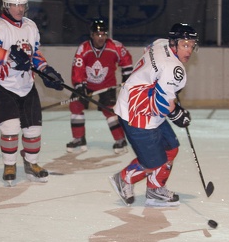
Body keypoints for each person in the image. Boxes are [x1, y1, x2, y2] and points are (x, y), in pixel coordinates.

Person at [0, 0, 65, 186]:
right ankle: (9, 165)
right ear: (6, 5)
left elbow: (34, 54)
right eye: (14, 4)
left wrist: (46, 71)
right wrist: (9, 56)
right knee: (10, 126)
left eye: (22, 5)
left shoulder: (30, 26)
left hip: (25, 84)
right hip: (1, 84)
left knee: (33, 128)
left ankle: (32, 163)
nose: (18, 9)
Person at [108, 23, 197, 207]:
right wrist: (179, 114)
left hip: (139, 101)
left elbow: (148, 50)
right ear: (174, 43)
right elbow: (161, 105)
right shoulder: (174, 68)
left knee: (170, 148)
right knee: (153, 162)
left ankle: (155, 190)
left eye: (192, 45)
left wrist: (165, 84)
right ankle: (124, 179)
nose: (189, 50)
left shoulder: (161, 43)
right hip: (138, 112)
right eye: (185, 45)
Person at [67, 19, 133, 154]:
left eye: (103, 34)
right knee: (75, 105)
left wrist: (127, 78)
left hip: (107, 84)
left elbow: (126, 62)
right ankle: (79, 138)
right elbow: (77, 67)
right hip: (87, 85)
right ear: (92, 35)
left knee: (110, 110)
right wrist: (79, 85)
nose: (101, 37)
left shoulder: (116, 47)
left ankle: (120, 139)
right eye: (98, 34)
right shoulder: (83, 48)